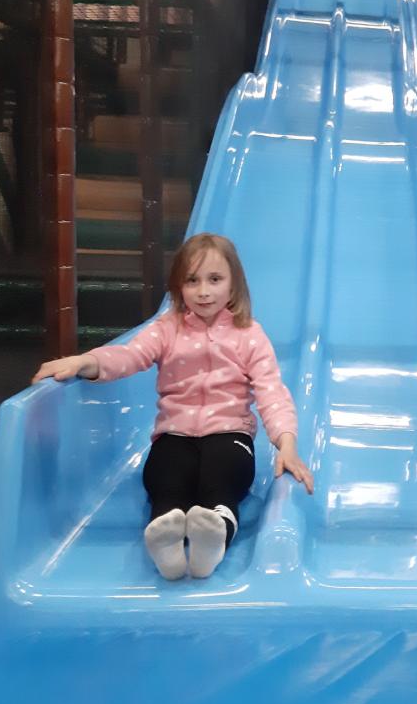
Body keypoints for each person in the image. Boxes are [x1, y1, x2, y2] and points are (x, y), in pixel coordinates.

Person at [32, 233, 314, 580]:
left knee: (223, 476)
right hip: (175, 434)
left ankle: (213, 538)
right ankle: (165, 542)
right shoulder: (167, 330)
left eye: (215, 279)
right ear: (179, 286)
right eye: (192, 281)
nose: (203, 291)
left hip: (230, 434)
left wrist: (286, 443)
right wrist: (85, 362)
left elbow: (271, 391)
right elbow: (129, 357)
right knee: (165, 475)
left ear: (234, 285)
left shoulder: (249, 335)